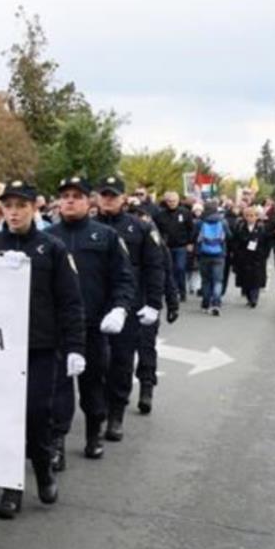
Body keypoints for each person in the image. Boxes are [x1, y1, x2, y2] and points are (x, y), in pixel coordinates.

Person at [0, 179, 86, 521]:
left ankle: (43, 468)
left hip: (40, 345)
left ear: (33, 208)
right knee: (6, 418)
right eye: (8, 206)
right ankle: (12, 487)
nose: (13, 212)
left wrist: (75, 347)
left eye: (20, 206)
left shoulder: (51, 247)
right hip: (0, 347)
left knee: (37, 414)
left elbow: (70, 300)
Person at [47, 175, 134, 463]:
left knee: (92, 384)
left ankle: (94, 432)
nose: (69, 200)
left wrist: (119, 308)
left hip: (93, 325)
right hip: (57, 326)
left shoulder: (106, 236)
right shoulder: (48, 237)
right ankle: (57, 441)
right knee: (57, 387)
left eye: (77, 195)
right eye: (65, 195)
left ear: (89, 201)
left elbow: (123, 278)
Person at [94, 175, 164, 442]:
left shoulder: (139, 227)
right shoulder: (89, 226)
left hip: (129, 304)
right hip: (96, 304)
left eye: (113, 195)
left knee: (121, 361)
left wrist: (154, 304)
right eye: (104, 194)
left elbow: (154, 267)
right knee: (97, 362)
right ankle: (97, 413)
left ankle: (116, 414)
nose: (108, 199)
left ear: (123, 198)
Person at [135, 226, 180, 415]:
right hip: (122, 302)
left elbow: (166, 275)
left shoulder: (157, 246)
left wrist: (172, 302)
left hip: (147, 302)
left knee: (146, 347)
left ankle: (146, 388)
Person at [154, 191, 193, 301]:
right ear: (166, 202)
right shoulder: (160, 215)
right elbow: (156, 230)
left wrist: (190, 242)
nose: (172, 203)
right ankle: (172, 291)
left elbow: (191, 229)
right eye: (169, 201)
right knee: (168, 269)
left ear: (178, 201)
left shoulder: (185, 213)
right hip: (166, 246)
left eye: (174, 201)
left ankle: (182, 291)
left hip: (181, 246)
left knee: (180, 268)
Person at [230, 205, 271, 308]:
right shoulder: (240, 227)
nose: (250, 218)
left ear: (256, 217)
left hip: (257, 258)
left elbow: (266, 242)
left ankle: (254, 299)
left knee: (256, 280)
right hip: (244, 258)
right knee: (246, 280)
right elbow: (235, 242)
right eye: (247, 215)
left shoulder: (261, 228)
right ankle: (249, 297)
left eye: (252, 215)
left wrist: (263, 254)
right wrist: (237, 253)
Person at [195, 205, 228, 315]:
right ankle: (216, 304)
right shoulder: (223, 222)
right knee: (218, 281)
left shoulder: (200, 222)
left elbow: (194, 237)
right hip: (219, 254)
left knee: (206, 280)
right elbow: (229, 236)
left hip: (204, 254)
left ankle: (205, 304)